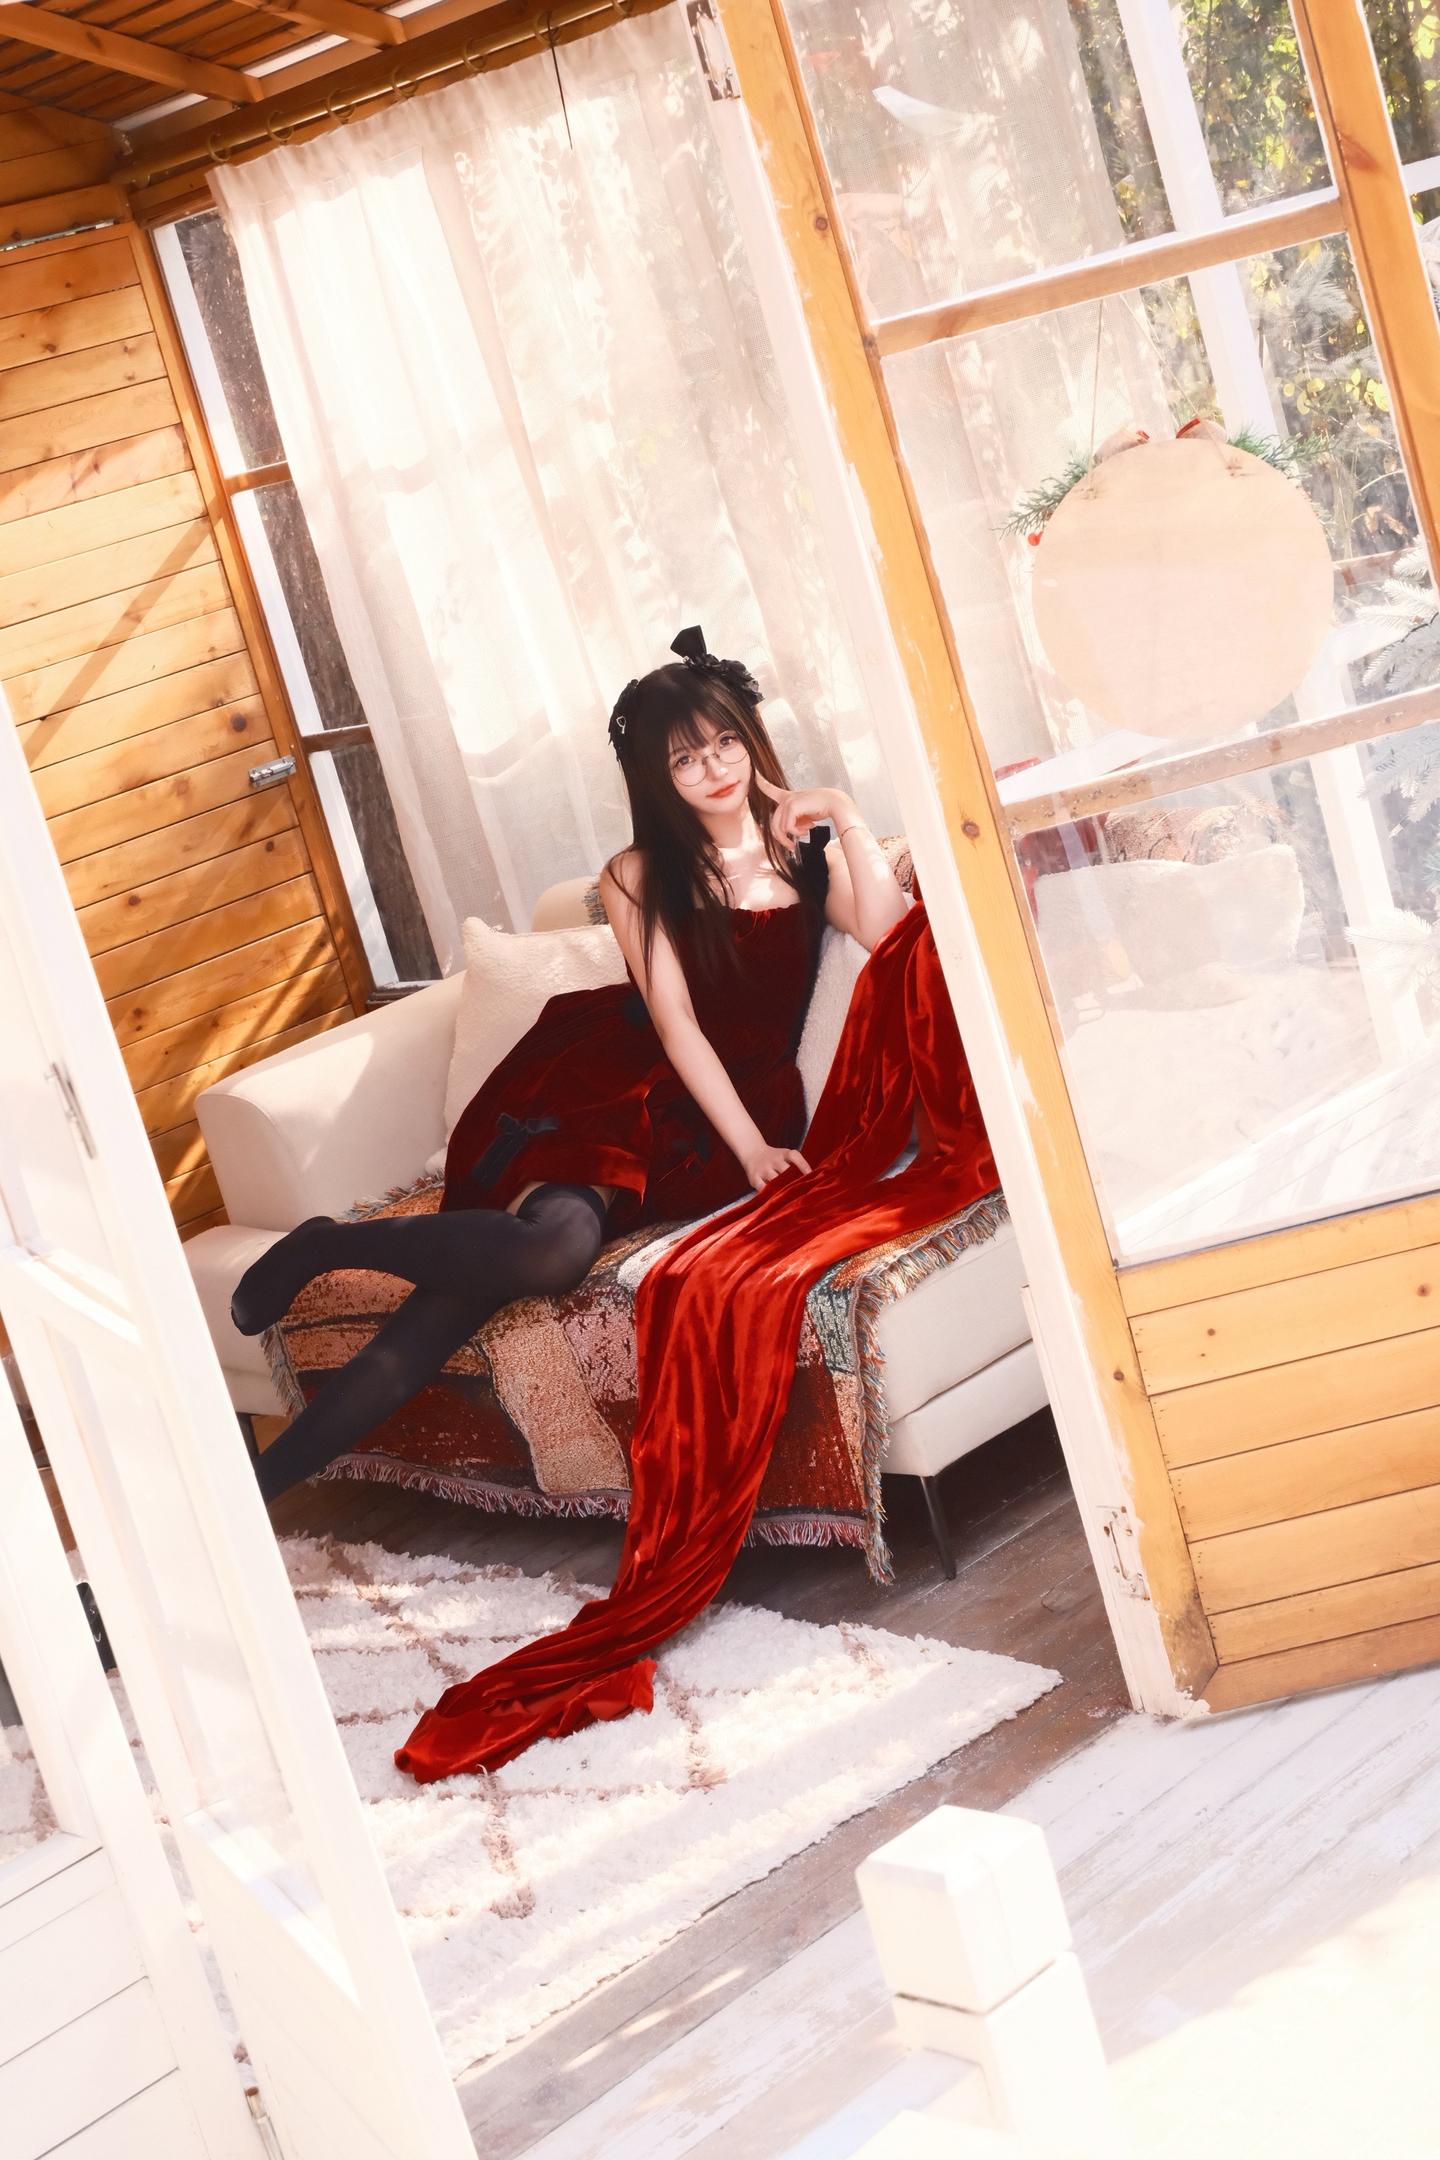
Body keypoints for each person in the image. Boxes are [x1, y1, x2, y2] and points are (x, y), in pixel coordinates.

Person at [230, 625, 909, 1502]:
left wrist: (843, 810)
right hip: (622, 1084)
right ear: (656, 778)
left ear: (750, 737)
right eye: (685, 760)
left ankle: (253, 1490)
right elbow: (675, 1023)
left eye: (724, 743)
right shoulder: (637, 873)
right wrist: (749, 1149)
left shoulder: (803, 854)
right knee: (551, 1250)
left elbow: (888, 930)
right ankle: (325, 1248)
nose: (713, 769)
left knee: (459, 1297)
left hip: (730, 1104)